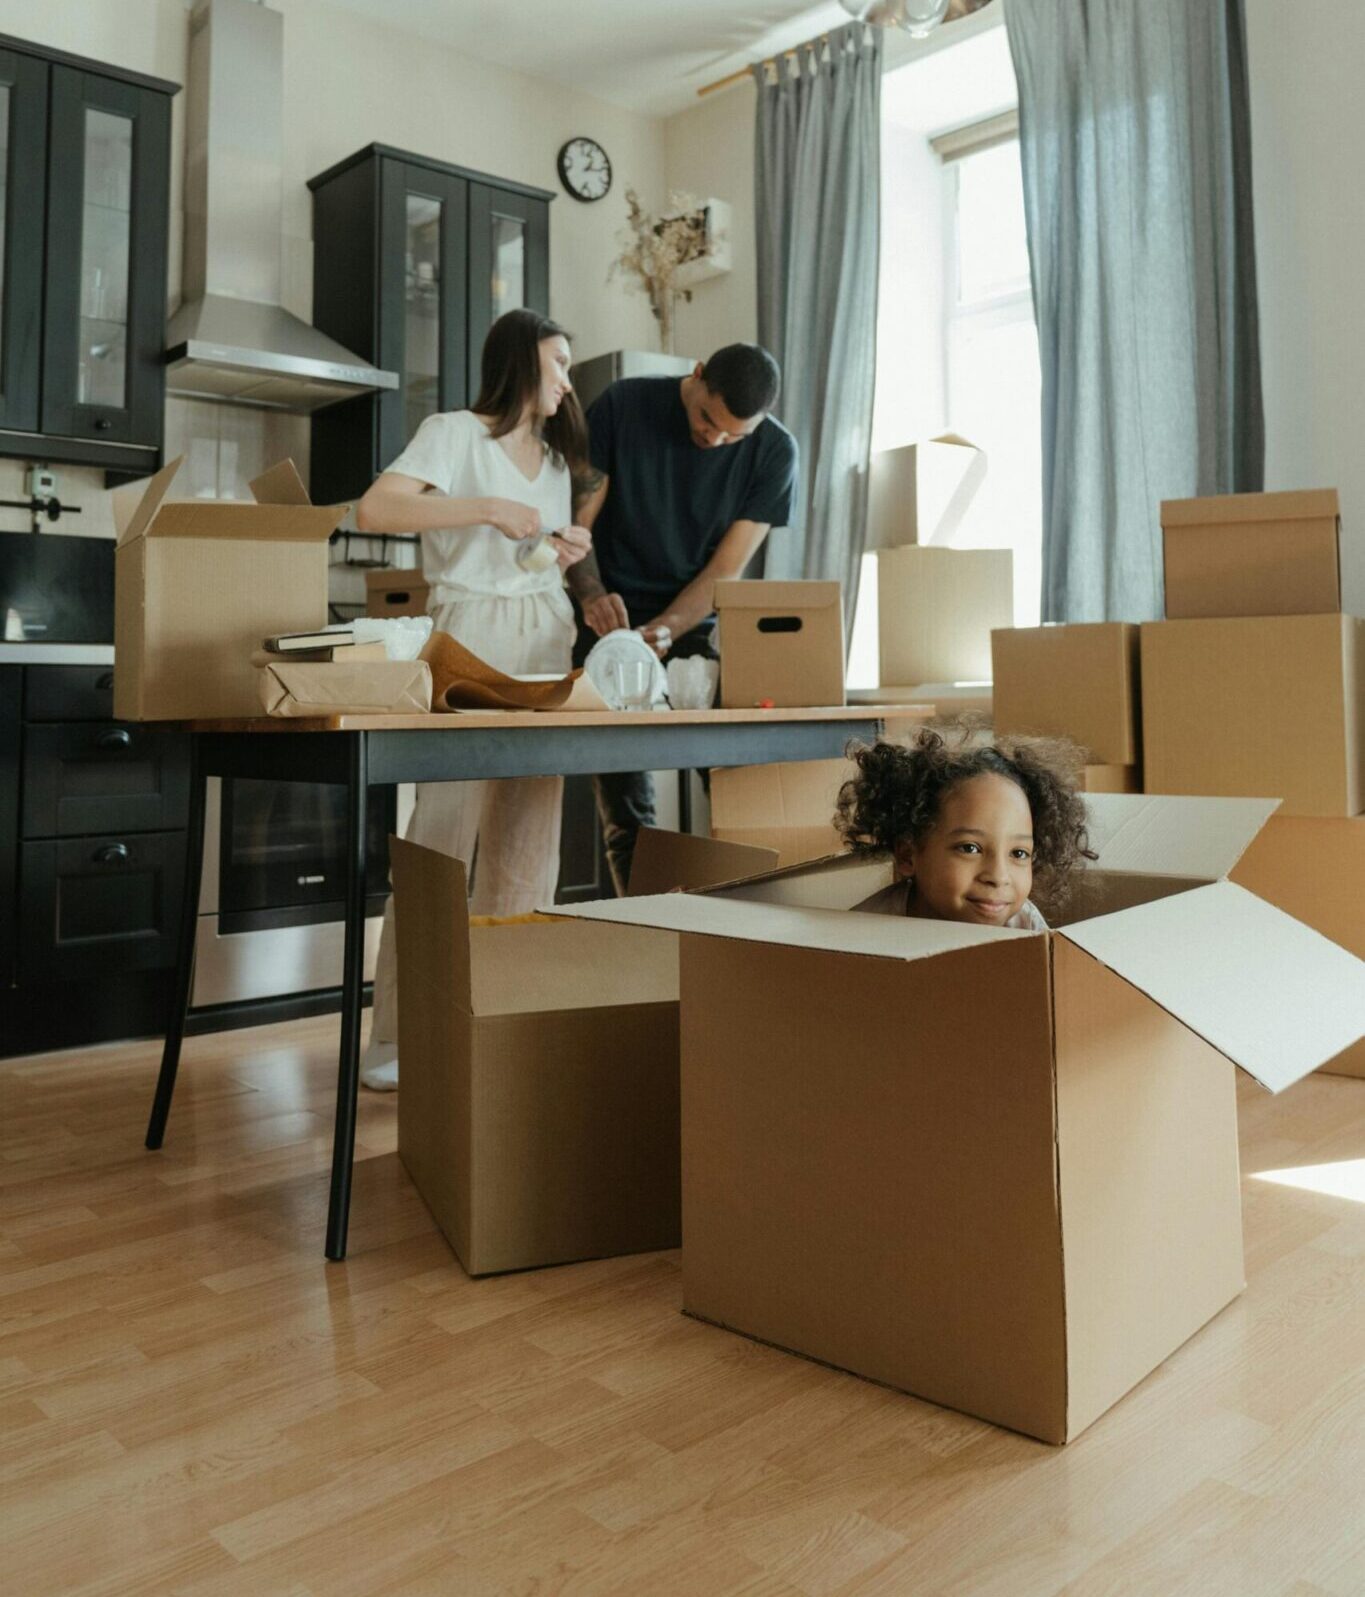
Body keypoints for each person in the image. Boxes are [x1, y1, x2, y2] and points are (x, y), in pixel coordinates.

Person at [357, 309, 595, 1091]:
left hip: (543, 642)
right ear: (520, 360)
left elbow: (527, 561)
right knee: (438, 844)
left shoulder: (559, 461)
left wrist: (558, 551)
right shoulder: (454, 430)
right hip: (466, 638)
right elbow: (376, 509)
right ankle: (398, 1035)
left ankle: (501, 1020)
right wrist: (488, 508)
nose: (567, 379)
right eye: (558, 362)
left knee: (529, 849)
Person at [569, 343, 799, 894]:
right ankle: (650, 947)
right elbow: (575, 523)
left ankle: (743, 936)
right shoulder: (624, 405)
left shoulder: (774, 450)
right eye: (707, 420)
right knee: (628, 815)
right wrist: (593, 596)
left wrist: (667, 630)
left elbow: (726, 569)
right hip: (609, 629)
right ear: (696, 377)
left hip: (693, 631)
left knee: (734, 788)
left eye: (732, 436)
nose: (714, 439)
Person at [833, 729, 1096, 927]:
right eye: (970, 848)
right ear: (907, 855)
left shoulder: (1025, 926)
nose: (998, 876)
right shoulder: (866, 931)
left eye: (1018, 853)